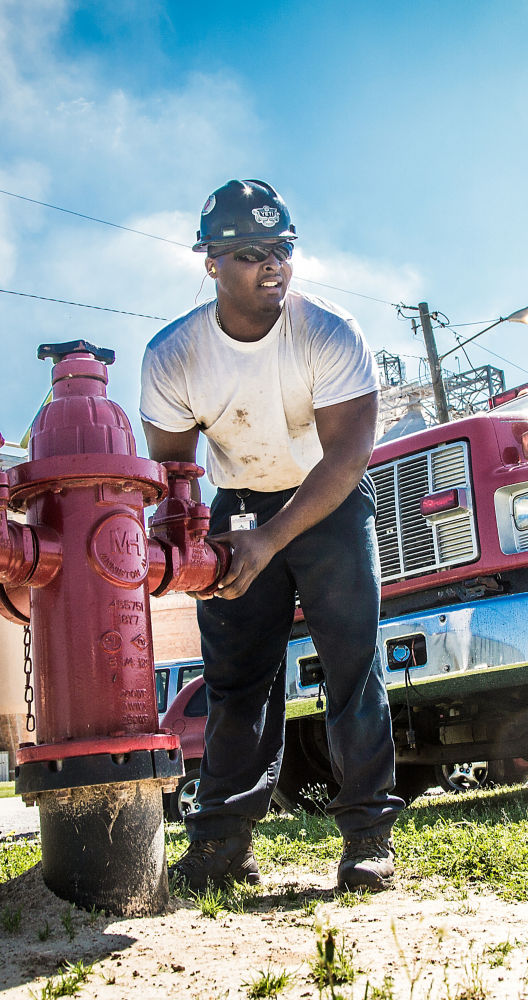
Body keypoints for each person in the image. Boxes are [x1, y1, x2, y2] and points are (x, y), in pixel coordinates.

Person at [140, 179, 404, 893]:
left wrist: (274, 539)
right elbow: (174, 477)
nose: (272, 265)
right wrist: (196, 548)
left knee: (352, 664)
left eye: (282, 248)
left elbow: (347, 456)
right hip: (237, 510)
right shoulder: (173, 354)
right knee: (235, 679)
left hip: (328, 499)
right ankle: (222, 846)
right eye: (251, 252)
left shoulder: (330, 332)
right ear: (211, 263)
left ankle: (368, 839)